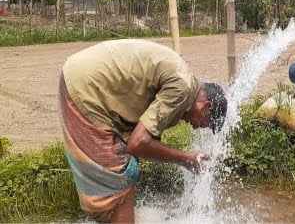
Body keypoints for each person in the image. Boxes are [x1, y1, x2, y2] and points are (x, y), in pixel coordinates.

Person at [58, 39, 227, 223]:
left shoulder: (182, 82)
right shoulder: (182, 88)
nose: (195, 127)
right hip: (86, 87)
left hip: (82, 76)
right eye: (204, 124)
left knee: (122, 174)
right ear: (205, 106)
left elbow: (146, 141)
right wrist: (186, 159)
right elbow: (138, 144)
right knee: (119, 176)